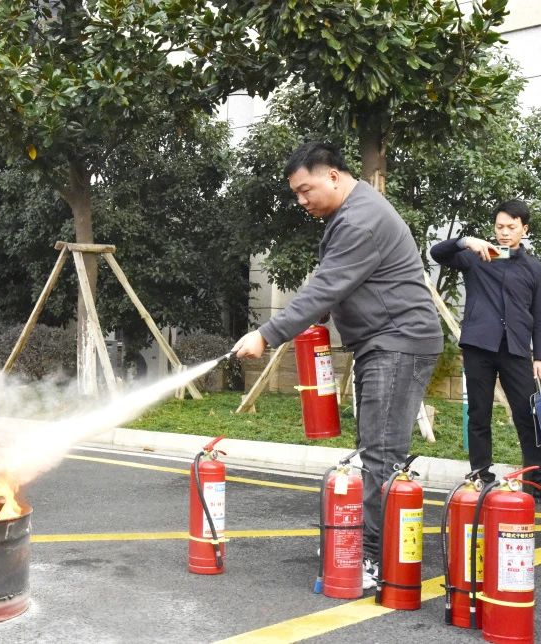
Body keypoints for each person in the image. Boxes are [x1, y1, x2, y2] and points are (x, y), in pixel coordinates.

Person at [231, 141, 443, 590]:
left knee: (382, 453)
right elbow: (339, 286)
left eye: (305, 189)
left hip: (398, 341)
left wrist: (267, 334)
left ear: (331, 175)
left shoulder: (361, 219)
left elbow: (323, 288)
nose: (302, 200)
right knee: (377, 448)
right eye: (296, 194)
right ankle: (379, 552)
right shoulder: (351, 212)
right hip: (384, 341)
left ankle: (373, 561)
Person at [430, 200, 541, 505]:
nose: (504, 232)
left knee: (530, 416)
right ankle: (480, 474)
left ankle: (540, 481)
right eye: (499, 226)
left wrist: (540, 357)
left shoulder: (536, 270)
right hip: (479, 347)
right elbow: (437, 253)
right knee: (479, 412)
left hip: (515, 349)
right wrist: (465, 241)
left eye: (511, 227)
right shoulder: (475, 258)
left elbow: (540, 318)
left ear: (524, 229)